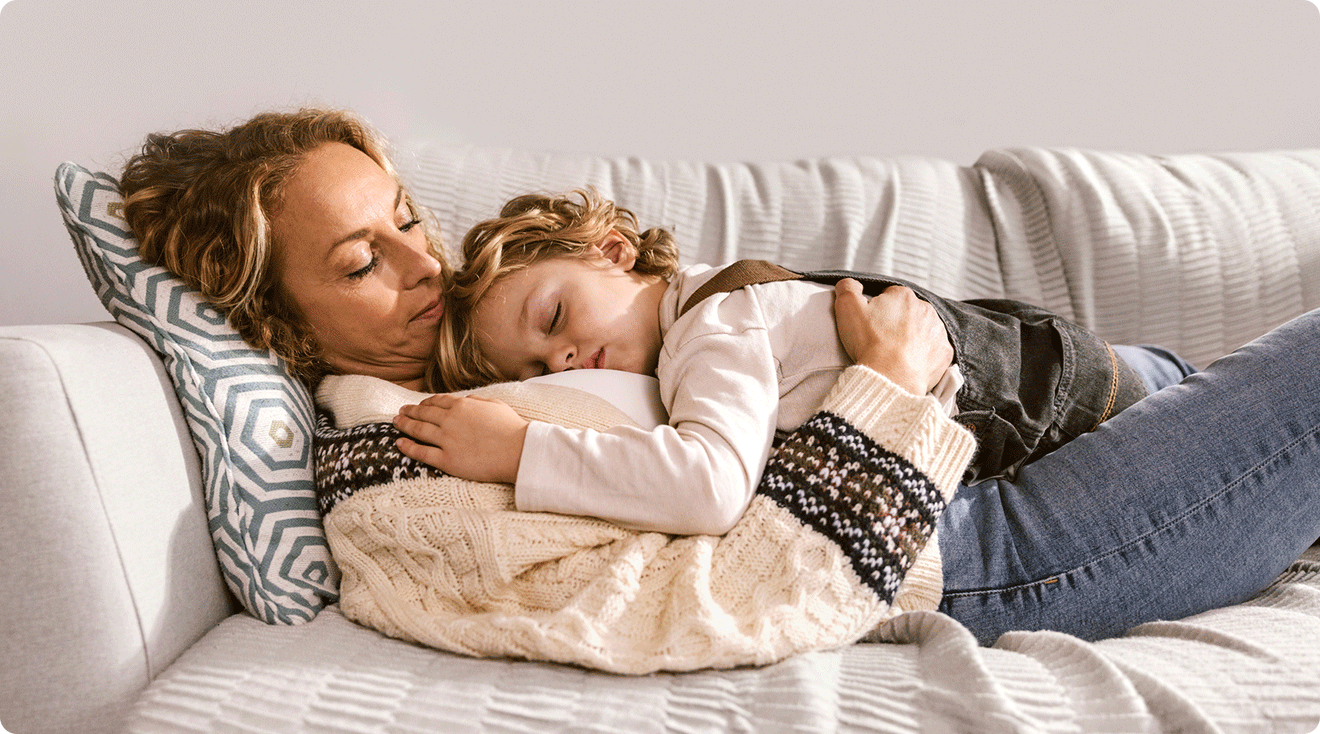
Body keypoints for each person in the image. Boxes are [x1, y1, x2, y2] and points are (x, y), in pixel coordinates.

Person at [398, 188, 1191, 536]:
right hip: (1041, 356)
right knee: (1187, 382)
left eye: (554, 317)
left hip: (1043, 399)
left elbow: (708, 486)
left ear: (615, 253)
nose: (565, 358)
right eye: (539, 372)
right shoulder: (707, 296)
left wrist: (517, 448)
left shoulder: (708, 332)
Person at [118, 108, 451, 389]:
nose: (427, 265)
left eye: (406, 221)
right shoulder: (385, 453)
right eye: (362, 264)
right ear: (278, 324)